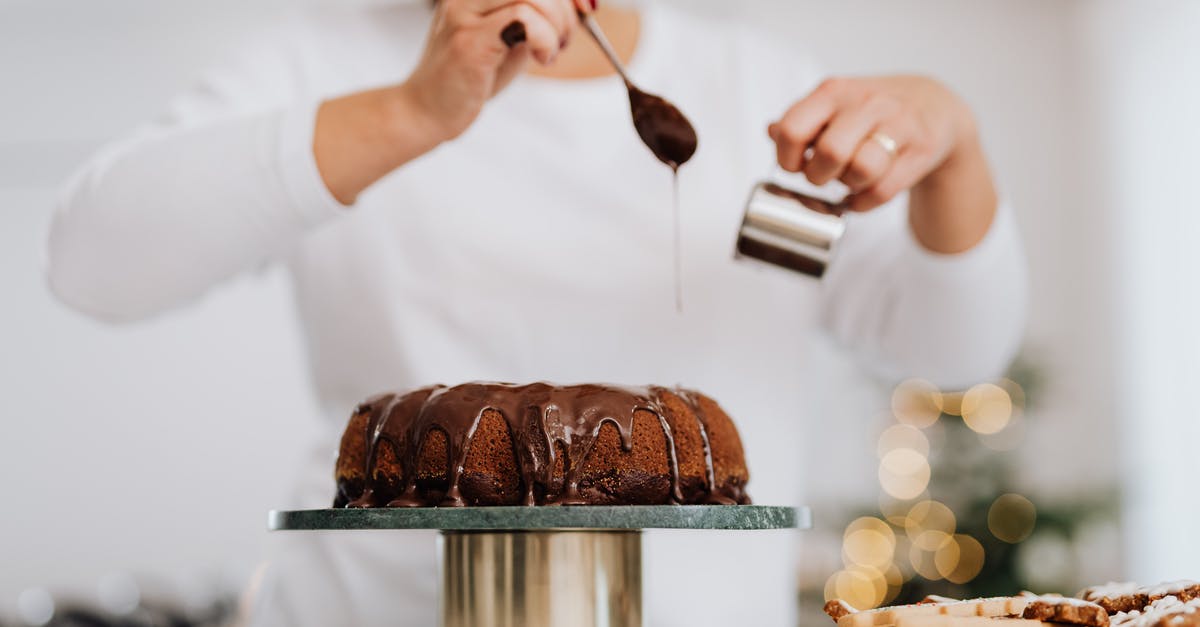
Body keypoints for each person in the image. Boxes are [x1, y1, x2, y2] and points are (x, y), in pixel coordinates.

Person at [46, 0, 1027, 625]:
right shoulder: (322, 60)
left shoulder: (753, 90)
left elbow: (951, 348)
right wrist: (412, 113)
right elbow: (95, 264)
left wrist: (957, 149)